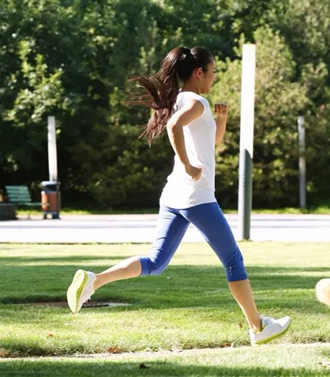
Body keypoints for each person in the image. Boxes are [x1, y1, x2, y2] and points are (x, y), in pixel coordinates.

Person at [66, 46, 291, 346]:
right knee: (234, 261)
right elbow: (174, 127)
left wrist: (220, 121)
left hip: (173, 195)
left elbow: (209, 141)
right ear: (199, 73)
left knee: (156, 262)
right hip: (196, 197)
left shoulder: (181, 101)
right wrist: (187, 164)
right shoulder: (197, 101)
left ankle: (95, 280)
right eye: (212, 73)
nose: (213, 79)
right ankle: (259, 327)